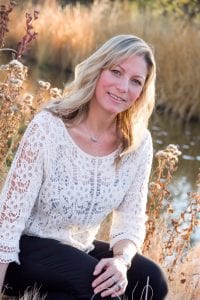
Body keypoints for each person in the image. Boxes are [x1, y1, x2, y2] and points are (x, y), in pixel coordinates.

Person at [0, 34, 168, 300]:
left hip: (79, 249)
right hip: (24, 250)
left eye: (136, 81)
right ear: (98, 70)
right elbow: (9, 219)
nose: (124, 87)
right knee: (99, 288)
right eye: (116, 72)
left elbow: (130, 221)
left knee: (152, 281)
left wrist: (121, 262)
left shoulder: (137, 143)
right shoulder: (49, 127)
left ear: (142, 91)